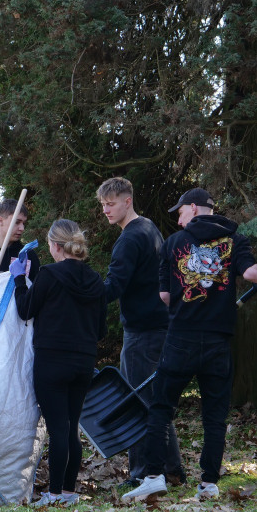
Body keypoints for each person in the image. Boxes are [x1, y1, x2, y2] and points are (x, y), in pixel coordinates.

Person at [122, 188, 257, 502]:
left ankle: (153, 476)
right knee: (214, 415)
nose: (179, 220)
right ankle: (208, 483)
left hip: (180, 338)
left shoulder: (173, 244)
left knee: (160, 408)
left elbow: (165, 296)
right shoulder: (236, 242)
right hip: (218, 342)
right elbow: (251, 274)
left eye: (180, 212)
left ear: (194, 208)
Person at [12, 219, 107, 507]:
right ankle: (68, 491)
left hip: (52, 360)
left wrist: (19, 280)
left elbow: (25, 310)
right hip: (83, 362)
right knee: (71, 427)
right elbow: (101, 330)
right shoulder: (95, 279)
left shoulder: (49, 275)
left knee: (57, 429)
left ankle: (53, 495)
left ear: (55, 246)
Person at [96, 177, 184, 488]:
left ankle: (144, 473)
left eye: (111, 204)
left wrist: (79, 289)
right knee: (154, 399)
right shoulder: (148, 227)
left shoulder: (130, 238)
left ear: (127, 201)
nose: (106, 210)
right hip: (159, 326)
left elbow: (112, 287)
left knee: (137, 401)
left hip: (143, 331)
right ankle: (171, 468)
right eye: (103, 205)